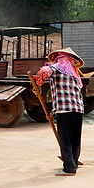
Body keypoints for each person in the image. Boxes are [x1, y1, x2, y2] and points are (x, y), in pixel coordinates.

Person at [34, 47, 86, 176]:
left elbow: (43, 72)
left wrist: (37, 85)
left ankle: (69, 168)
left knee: (65, 139)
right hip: (78, 109)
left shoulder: (57, 68)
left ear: (60, 58)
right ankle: (73, 162)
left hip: (64, 109)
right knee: (75, 139)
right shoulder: (74, 74)